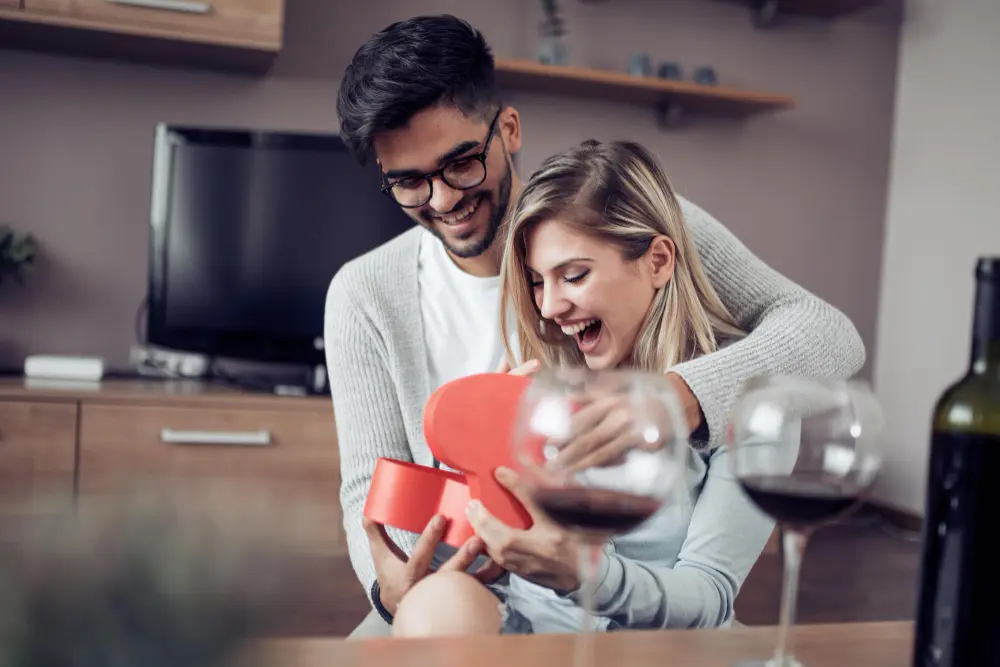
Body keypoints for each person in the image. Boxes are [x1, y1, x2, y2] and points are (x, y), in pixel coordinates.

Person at [325, 14, 865, 638]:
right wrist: (389, 584)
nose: (443, 200)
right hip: (464, 590)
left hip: (618, 597)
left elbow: (829, 335)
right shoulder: (364, 292)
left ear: (508, 130)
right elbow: (370, 485)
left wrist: (671, 400)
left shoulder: (625, 215)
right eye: (408, 182)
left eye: (461, 164)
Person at [389, 138, 776, 637]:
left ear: (658, 261)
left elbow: (709, 596)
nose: (549, 307)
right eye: (537, 281)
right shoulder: (538, 367)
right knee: (437, 605)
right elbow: (473, 553)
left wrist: (586, 577)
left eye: (573, 276)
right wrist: (473, 465)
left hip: (655, 645)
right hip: (528, 629)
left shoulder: (742, 394)